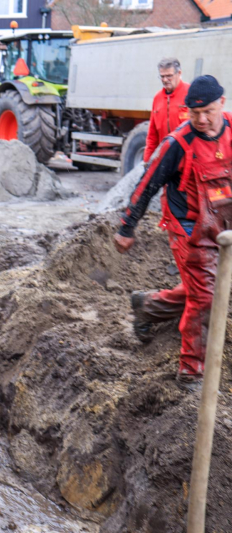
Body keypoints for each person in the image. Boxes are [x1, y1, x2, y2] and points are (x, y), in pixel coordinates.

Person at [114, 75, 230, 390]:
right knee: (205, 296)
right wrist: (127, 226)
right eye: (195, 114)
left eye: (208, 111)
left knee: (208, 287)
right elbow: (147, 183)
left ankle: (147, 306)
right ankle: (191, 372)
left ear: (222, 103)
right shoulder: (178, 143)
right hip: (187, 230)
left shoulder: (231, 130)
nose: (202, 120)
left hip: (222, 225)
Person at [144, 58, 190, 164]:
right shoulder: (157, 98)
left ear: (179, 73)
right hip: (165, 160)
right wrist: (146, 162)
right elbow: (152, 136)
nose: (165, 80)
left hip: (186, 160)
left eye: (169, 76)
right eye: (162, 76)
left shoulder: (190, 94)